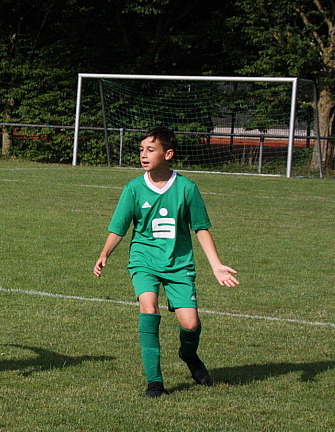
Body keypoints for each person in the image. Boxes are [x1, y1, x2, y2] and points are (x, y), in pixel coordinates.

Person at [93, 126, 238, 397]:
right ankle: (155, 382)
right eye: (141, 150)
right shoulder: (134, 188)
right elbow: (119, 227)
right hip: (144, 260)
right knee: (149, 308)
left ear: (168, 154)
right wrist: (104, 253)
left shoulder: (186, 188)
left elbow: (201, 228)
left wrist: (216, 265)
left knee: (190, 324)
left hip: (179, 264)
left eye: (151, 150)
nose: (143, 155)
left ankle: (188, 354)